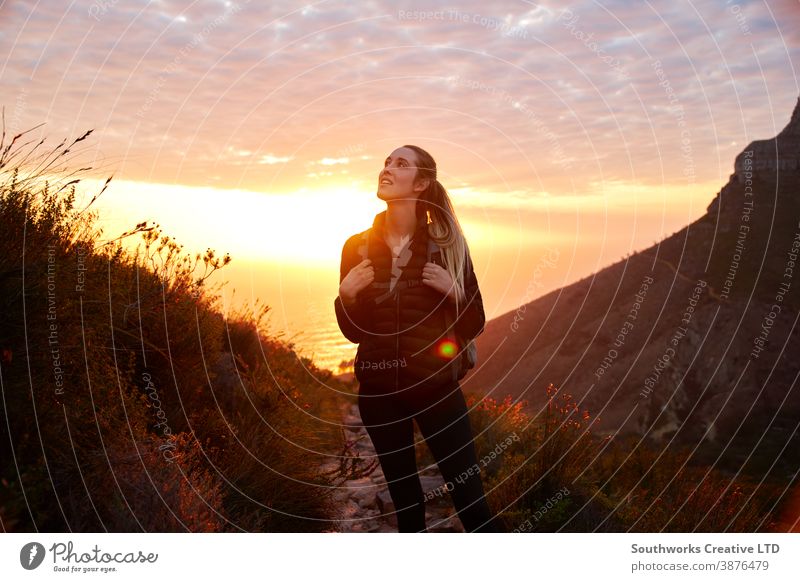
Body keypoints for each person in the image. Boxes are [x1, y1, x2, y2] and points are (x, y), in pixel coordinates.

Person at [333, 144, 504, 533]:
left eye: (401, 164)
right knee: (407, 512)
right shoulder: (355, 246)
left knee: (473, 508)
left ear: (422, 182)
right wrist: (345, 297)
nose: (387, 168)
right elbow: (355, 332)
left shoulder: (448, 245)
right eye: (386, 162)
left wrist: (455, 294)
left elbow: (474, 322)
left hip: (436, 389)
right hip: (378, 394)